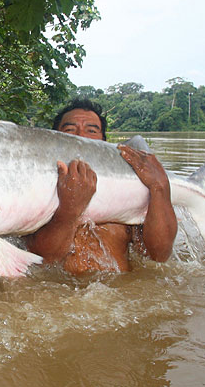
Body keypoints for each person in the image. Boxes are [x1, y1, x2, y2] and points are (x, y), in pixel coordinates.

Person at [24, 99, 178, 274]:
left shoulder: (128, 192)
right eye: (69, 130)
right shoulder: (37, 188)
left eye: (91, 130)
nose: (80, 136)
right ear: (55, 137)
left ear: (104, 141)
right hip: (58, 293)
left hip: (119, 294)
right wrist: (69, 211)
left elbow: (158, 255)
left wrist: (160, 187)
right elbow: (44, 261)